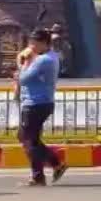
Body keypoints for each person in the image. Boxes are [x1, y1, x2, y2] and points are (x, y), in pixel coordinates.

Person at [17, 28, 68, 187]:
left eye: (35, 43)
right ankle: (51, 167)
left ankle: (45, 171)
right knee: (27, 138)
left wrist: (25, 62)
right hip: (41, 102)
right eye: (31, 42)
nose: (32, 46)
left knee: (29, 140)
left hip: (35, 104)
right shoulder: (50, 57)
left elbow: (23, 79)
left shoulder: (42, 60)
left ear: (44, 43)